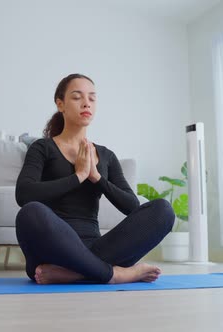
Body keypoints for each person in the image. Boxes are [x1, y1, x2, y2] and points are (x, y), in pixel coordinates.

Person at [15, 73, 174, 284]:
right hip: (52, 249)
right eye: (77, 97)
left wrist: (96, 177)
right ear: (60, 104)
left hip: (98, 248)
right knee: (30, 213)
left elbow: (132, 206)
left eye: (92, 98)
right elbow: (23, 194)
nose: (86, 103)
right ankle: (114, 274)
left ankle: (75, 273)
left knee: (163, 210)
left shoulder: (106, 156)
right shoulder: (42, 148)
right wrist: (78, 176)